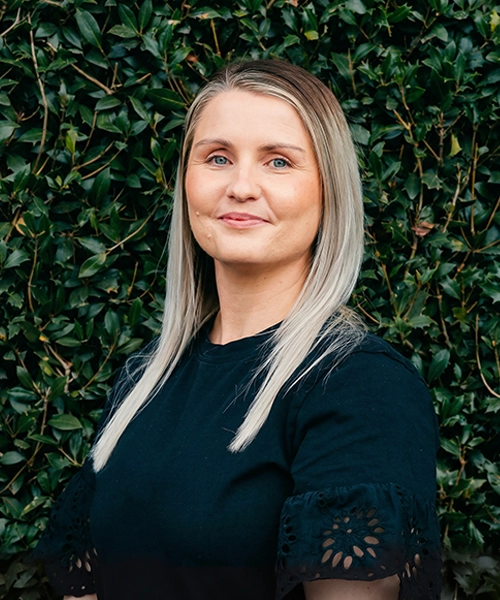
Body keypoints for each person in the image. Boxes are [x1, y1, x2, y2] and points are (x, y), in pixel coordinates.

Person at [29, 59, 441, 600]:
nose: (241, 186)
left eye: (278, 161)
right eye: (218, 157)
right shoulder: (143, 379)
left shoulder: (360, 385)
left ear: (329, 191)